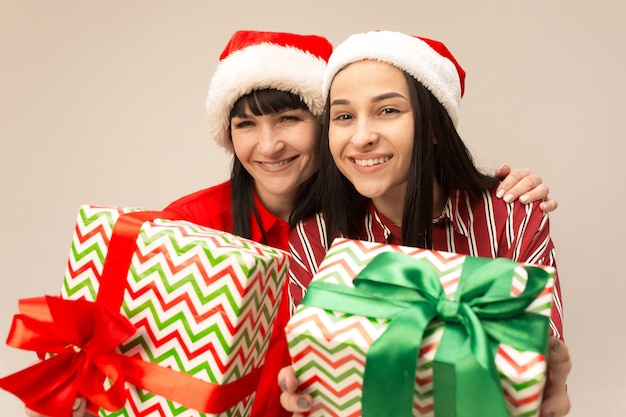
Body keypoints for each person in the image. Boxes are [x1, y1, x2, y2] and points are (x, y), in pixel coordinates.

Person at [24, 29, 557, 417]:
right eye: (246, 125)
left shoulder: (489, 218)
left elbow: (538, 366)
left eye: (289, 119)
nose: (269, 144)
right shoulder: (214, 229)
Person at [281, 30, 571, 417]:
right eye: (344, 116)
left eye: (388, 110)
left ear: (435, 127)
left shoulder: (511, 219)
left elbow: (535, 373)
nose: (362, 136)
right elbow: (314, 374)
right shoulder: (315, 238)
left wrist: (552, 385)